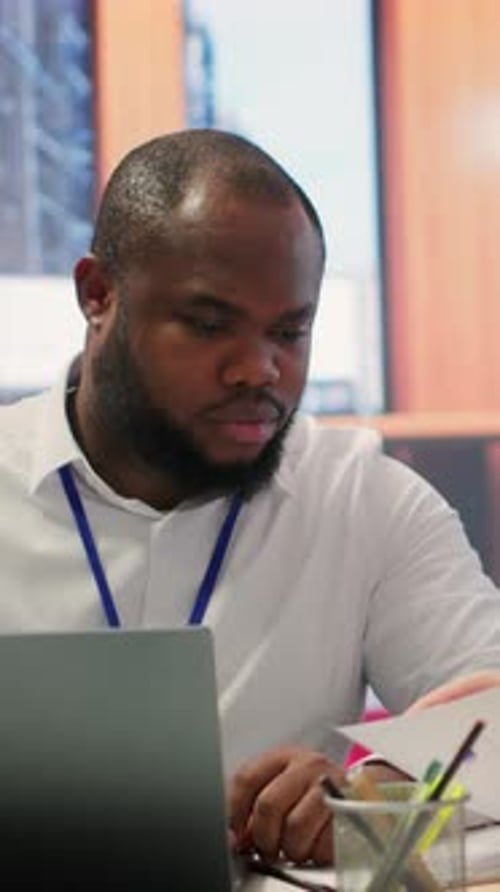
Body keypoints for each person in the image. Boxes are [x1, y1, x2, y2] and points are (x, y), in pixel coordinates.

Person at [1, 128, 500, 866]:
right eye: (210, 326)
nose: (259, 370)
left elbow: (491, 729)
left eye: (290, 332)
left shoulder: (364, 501)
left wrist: (380, 811)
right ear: (97, 294)